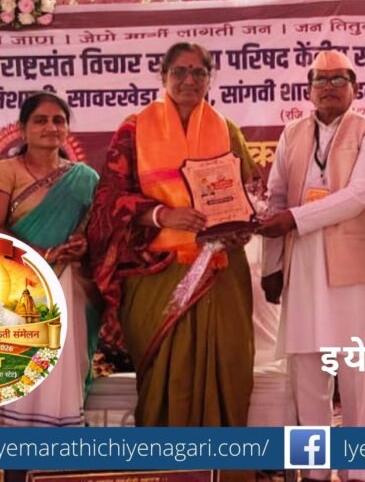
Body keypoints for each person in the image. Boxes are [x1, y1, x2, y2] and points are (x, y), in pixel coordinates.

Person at [87, 42, 255, 437]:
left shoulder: (228, 130)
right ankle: (167, 469)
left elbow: (250, 196)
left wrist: (238, 227)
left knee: (226, 368)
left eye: (199, 72)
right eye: (179, 71)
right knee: (166, 373)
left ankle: (222, 471)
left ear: (210, 79)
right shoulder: (134, 129)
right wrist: (164, 214)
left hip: (220, 271)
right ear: (163, 76)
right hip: (156, 272)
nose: (189, 80)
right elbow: (109, 200)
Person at [259, 50, 365, 482]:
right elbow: (275, 196)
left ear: (354, 87)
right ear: (309, 89)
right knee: (306, 373)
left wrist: (294, 220)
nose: (329, 87)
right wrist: (271, 266)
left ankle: (360, 472)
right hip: (301, 264)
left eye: (338, 79)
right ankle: (313, 470)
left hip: (348, 265)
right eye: (320, 80)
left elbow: (359, 195)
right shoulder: (292, 133)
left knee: (355, 375)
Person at [0, 90, 99, 427]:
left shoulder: (85, 178)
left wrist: (83, 248)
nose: (51, 127)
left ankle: (56, 467)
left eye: (58, 120)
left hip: (71, 288)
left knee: (64, 368)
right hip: (18, 289)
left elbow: (101, 233)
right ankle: (9, 466)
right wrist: (43, 255)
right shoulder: (5, 172)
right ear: (22, 128)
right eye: (40, 120)